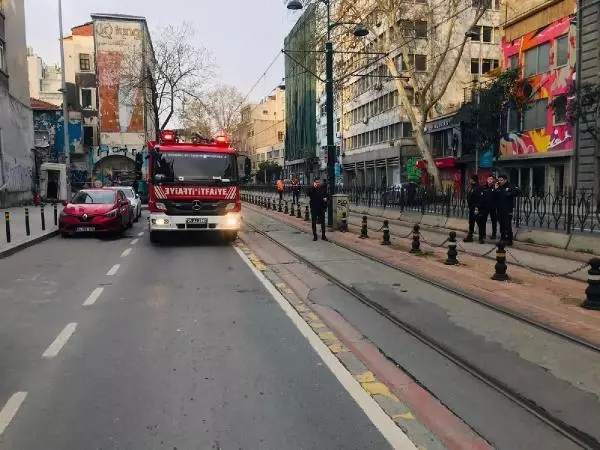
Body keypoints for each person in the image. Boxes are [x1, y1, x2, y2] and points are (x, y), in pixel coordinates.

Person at [496, 174, 520, 246]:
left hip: (507, 209)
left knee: (507, 225)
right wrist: (495, 188)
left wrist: (509, 193)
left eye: (501, 180)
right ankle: (503, 238)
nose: (500, 181)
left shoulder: (510, 186)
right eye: (499, 180)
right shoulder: (498, 187)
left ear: (505, 180)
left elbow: (518, 191)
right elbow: (494, 195)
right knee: (502, 225)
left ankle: (509, 240)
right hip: (500, 209)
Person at [477, 175, 498, 243]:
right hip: (485, 207)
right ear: (487, 180)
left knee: (494, 221)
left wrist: (495, 189)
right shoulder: (483, 187)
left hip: (493, 207)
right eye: (489, 179)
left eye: (491, 179)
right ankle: (483, 234)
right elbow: (481, 197)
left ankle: (494, 234)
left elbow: (496, 196)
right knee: (483, 221)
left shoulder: (495, 187)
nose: (490, 180)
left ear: (493, 180)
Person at [464, 174, 481, 242]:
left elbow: (478, 199)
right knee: (471, 222)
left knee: (479, 223)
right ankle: (470, 236)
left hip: (475, 209)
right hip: (471, 208)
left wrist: (476, 208)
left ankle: (481, 237)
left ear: (473, 180)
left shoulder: (477, 188)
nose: (469, 180)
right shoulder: (471, 187)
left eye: (470, 179)